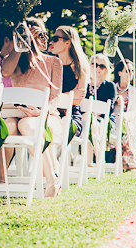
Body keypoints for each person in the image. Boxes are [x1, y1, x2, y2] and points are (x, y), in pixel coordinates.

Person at [0, 17, 63, 197]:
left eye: (43, 34)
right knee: (8, 127)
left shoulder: (53, 62)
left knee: (27, 125)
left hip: (46, 114)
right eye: (37, 35)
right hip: (17, 112)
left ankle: (51, 180)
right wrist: (23, 42)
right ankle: (0, 182)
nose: (42, 38)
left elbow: (55, 97)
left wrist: (41, 112)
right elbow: (5, 72)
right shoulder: (16, 59)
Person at [48, 25, 89, 167]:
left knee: (63, 124)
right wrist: (68, 95)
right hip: (51, 113)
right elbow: (45, 96)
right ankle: (52, 166)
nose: (50, 42)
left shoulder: (80, 66)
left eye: (55, 39)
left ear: (68, 42)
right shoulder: (49, 63)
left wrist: (56, 97)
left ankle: (54, 167)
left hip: (70, 116)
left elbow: (78, 99)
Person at [87, 54, 136, 170]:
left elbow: (108, 108)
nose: (97, 68)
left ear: (106, 69)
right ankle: (92, 159)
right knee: (89, 122)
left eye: (102, 66)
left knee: (93, 123)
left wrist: (96, 113)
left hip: (104, 119)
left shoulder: (109, 86)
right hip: (87, 118)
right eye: (94, 65)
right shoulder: (84, 84)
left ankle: (94, 159)